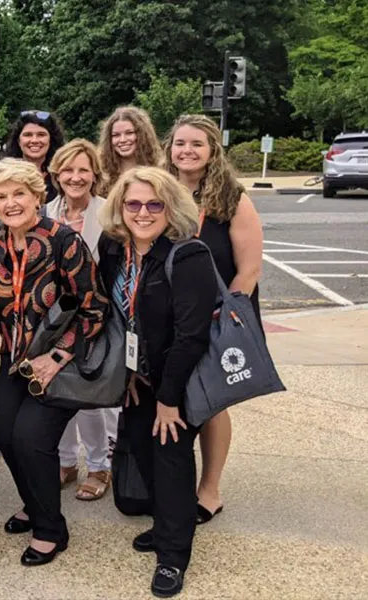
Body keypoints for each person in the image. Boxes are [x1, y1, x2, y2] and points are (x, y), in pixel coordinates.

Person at [0, 159, 107, 568]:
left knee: (32, 438)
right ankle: (35, 504)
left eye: (19, 193)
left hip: (63, 363)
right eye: (1, 197)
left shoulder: (64, 241)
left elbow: (93, 308)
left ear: (38, 196)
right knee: (3, 432)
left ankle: (50, 528)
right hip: (15, 362)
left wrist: (57, 356)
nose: (10, 202)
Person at [96, 166, 219, 597]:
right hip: (139, 378)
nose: (143, 212)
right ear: (120, 207)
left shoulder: (188, 255)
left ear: (170, 208)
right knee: (143, 453)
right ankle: (170, 525)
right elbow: (118, 316)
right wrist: (127, 373)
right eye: (134, 203)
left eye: (154, 204)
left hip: (177, 381)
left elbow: (192, 336)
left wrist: (168, 400)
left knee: (170, 463)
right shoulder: (115, 249)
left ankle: (173, 557)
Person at [165, 114, 263, 526]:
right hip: (170, 315)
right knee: (176, 396)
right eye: (180, 143)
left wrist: (226, 315)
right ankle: (173, 480)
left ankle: (210, 488)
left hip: (218, 315)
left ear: (212, 151)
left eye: (197, 144)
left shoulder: (232, 197)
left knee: (212, 401)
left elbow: (250, 268)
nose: (187, 151)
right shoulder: (161, 191)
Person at [44, 139, 114, 501]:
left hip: (94, 316)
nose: (75, 177)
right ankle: (67, 461)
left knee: (89, 396)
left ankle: (100, 465)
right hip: (55, 318)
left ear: (94, 174)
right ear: (56, 174)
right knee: (59, 392)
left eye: (83, 169)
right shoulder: (45, 212)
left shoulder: (109, 214)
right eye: (68, 170)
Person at [3, 110, 67, 203]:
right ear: (18, 140)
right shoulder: (3, 175)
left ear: (51, 140)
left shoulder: (62, 176)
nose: (34, 140)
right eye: (28, 135)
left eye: (41, 135)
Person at [97, 105, 163, 193]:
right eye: (116, 135)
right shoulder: (101, 176)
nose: (122, 140)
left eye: (129, 133)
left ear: (142, 135)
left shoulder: (159, 172)